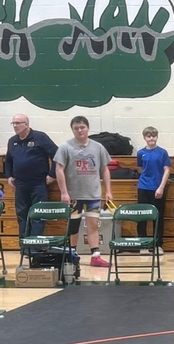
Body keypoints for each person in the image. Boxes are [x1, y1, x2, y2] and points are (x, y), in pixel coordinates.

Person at [54, 116, 113, 267]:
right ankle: (72, 256)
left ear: (88, 128)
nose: (79, 130)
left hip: (93, 194)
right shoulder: (65, 147)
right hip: (73, 195)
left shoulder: (98, 147)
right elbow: (59, 170)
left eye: (82, 127)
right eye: (76, 128)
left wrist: (108, 190)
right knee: (73, 227)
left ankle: (95, 256)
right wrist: (64, 192)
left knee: (93, 225)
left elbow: (105, 169)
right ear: (72, 130)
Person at [4, 114, 57, 240]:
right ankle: (24, 245)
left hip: (38, 184)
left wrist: (52, 174)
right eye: (13, 123)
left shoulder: (40, 137)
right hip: (20, 184)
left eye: (18, 123)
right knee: (22, 215)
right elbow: (8, 160)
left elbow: (57, 155)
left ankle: (35, 246)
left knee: (38, 215)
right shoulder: (12, 141)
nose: (15, 126)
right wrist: (9, 176)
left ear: (26, 124)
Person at [135, 126, 172, 253]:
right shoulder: (140, 153)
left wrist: (161, 187)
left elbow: (167, 170)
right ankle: (143, 244)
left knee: (158, 216)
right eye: (148, 136)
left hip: (157, 187)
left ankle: (157, 245)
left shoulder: (162, 152)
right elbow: (140, 169)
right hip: (143, 187)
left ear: (157, 137)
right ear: (144, 138)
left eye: (154, 136)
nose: (151, 138)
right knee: (142, 217)